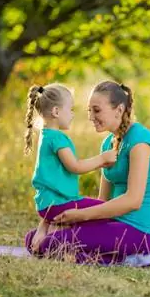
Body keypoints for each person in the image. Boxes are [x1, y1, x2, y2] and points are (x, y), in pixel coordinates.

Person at [24, 81, 150, 264]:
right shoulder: (108, 143)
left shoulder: (140, 142)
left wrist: (80, 216)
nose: (91, 116)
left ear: (119, 109)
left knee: (52, 244)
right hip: (113, 222)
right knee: (34, 239)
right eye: (89, 111)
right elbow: (103, 202)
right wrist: (49, 223)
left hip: (139, 230)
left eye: (97, 110)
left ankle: (125, 257)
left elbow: (133, 201)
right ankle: (114, 257)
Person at [23, 83, 118, 251]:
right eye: (70, 109)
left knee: (95, 209)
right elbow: (75, 166)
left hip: (47, 205)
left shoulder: (46, 136)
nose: (73, 114)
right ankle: (57, 239)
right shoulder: (58, 139)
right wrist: (103, 158)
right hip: (61, 204)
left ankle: (45, 230)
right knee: (104, 212)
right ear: (56, 112)